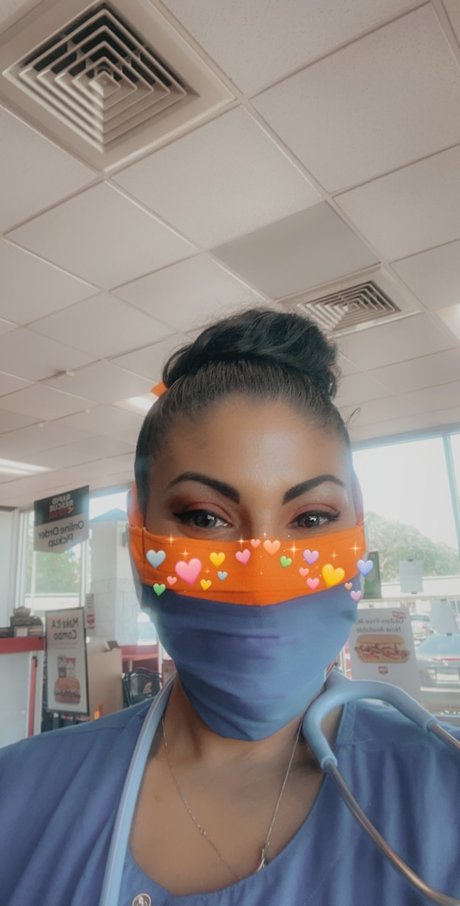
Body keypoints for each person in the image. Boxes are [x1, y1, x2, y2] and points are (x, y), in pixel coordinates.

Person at [0, 308, 459, 906]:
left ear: (358, 527)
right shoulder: (17, 796)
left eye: (311, 518)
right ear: (138, 532)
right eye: (204, 517)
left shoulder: (445, 789)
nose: (262, 582)